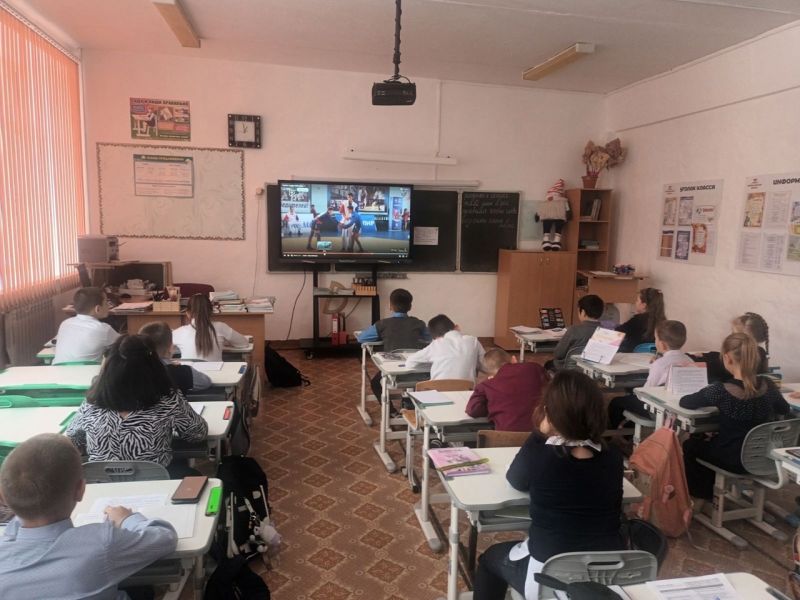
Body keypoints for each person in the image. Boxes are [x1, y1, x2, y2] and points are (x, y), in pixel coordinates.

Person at [473, 370, 624, 600]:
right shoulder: (613, 456)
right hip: (607, 577)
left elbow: (516, 480)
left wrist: (538, 434)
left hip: (548, 577)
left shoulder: (542, 454)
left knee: (490, 558)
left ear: (549, 413)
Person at [0, 433, 177, 599]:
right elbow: (165, 537)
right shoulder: (101, 542)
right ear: (81, 490)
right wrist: (126, 519)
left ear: (4, 497)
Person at [65, 334, 208, 479]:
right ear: (155, 365)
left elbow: (72, 439)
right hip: (155, 484)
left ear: (108, 366)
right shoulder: (168, 400)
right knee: (194, 476)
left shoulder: (93, 401)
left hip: (101, 485)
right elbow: (198, 434)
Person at [680, 333, 790, 506]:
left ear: (727, 358)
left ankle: (701, 495)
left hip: (731, 458)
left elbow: (686, 402)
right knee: (711, 443)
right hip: (764, 457)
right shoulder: (769, 386)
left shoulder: (721, 390)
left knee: (691, 445)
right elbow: (784, 409)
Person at [608, 319, 692, 428]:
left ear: (662, 344)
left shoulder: (660, 364)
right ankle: (628, 429)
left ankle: (613, 431)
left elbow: (646, 392)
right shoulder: (690, 361)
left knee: (616, 402)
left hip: (657, 410)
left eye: (656, 339)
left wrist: (635, 391)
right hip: (680, 410)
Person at [357, 289, 429, 404]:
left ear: (390, 306)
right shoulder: (418, 323)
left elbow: (361, 338)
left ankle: (391, 411)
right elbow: (430, 337)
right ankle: (408, 406)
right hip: (416, 370)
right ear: (410, 306)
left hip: (392, 371)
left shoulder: (382, 324)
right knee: (413, 384)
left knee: (376, 383)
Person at [465, 348, 547, 432]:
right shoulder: (535, 368)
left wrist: (493, 405)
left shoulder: (486, 385)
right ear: (513, 359)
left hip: (507, 436)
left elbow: (473, 410)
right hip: (541, 432)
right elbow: (550, 389)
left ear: (490, 373)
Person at [692, 312, 770, 381]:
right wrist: (707, 355)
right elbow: (719, 358)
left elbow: (717, 365)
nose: (730, 336)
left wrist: (699, 359)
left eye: (733, 333)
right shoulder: (761, 353)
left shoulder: (739, 356)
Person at [405, 314, 484, 382]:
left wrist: (432, 364)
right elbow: (484, 365)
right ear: (457, 327)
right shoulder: (473, 340)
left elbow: (410, 362)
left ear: (436, 338)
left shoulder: (437, 344)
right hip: (467, 391)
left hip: (438, 392)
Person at [139, 321, 212, 394]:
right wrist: (176, 367)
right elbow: (205, 382)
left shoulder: (133, 371)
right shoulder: (182, 372)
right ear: (171, 348)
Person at [172, 294, 249, 361]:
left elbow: (166, 349)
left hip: (189, 373)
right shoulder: (221, 327)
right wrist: (225, 341)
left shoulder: (179, 332)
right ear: (211, 312)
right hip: (216, 373)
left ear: (187, 313)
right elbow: (244, 343)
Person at [53, 286, 119, 364]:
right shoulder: (103, 329)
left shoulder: (65, 323)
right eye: (106, 303)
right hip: (90, 371)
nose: (108, 305)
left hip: (57, 370)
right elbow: (125, 345)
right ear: (97, 309)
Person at [546, 294, 604, 371]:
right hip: (594, 372)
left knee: (548, 364)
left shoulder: (573, 330)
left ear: (583, 312)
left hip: (568, 371)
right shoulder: (607, 333)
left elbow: (558, 354)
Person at [616, 287, 666, 353]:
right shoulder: (664, 322)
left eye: (637, 301)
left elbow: (617, 332)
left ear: (644, 305)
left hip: (632, 355)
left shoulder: (637, 320)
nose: (635, 303)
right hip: (653, 355)